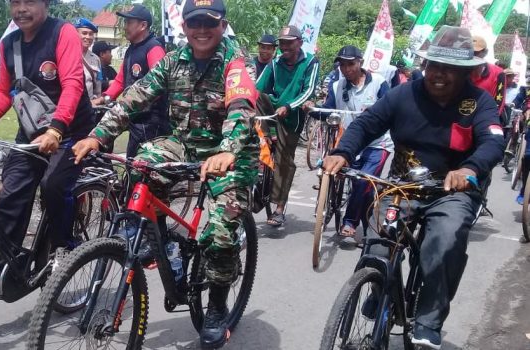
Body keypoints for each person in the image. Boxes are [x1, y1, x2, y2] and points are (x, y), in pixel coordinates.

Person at [72, 0, 258, 346]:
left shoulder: (236, 63)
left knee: (219, 232)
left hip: (231, 155)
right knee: (140, 164)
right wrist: (98, 136)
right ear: (184, 27)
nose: (201, 30)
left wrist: (227, 150)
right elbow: (133, 98)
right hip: (185, 145)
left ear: (222, 25)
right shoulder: (174, 60)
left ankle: (217, 307)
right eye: (194, 23)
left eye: (209, 22)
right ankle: (159, 240)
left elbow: (240, 107)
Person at [322, 26, 504, 349]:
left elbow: (493, 143)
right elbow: (367, 123)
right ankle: (379, 287)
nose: (439, 75)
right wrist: (342, 152)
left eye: (449, 69)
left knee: (445, 240)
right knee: (377, 235)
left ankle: (428, 321)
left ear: (464, 73)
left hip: (451, 193)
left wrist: (470, 168)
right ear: (424, 66)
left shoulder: (480, 103)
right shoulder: (405, 93)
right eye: (433, 65)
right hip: (403, 185)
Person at [0, 0, 95, 295]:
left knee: (53, 185)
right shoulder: (10, 43)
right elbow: (4, 91)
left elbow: (73, 84)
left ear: (45, 4)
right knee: (10, 191)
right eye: (15, 2)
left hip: (71, 127)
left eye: (29, 2)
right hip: (33, 128)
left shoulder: (63, 33)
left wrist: (57, 129)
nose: (21, 8)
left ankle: (64, 247)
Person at [314, 45, 392, 238]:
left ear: (360, 63)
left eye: (351, 64)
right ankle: (369, 225)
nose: (347, 69)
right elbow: (329, 110)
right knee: (362, 185)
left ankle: (350, 222)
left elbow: (391, 110)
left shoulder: (379, 83)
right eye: (342, 65)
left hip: (378, 143)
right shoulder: (336, 86)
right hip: (352, 143)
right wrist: (312, 109)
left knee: (363, 180)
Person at [255, 25, 320, 227]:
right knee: (255, 99)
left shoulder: (310, 62)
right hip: (274, 110)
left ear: (299, 42)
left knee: (284, 160)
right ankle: (264, 136)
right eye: (282, 43)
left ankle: (280, 208)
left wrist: (289, 106)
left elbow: (309, 91)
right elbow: (258, 87)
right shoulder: (274, 63)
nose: (285, 47)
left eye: (289, 43)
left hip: (293, 115)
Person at [91, 4, 169, 157]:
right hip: (135, 120)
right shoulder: (131, 49)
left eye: (128, 22)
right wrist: (102, 99)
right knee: (131, 165)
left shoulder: (154, 48)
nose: (125, 26)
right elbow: (120, 81)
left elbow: (160, 87)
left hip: (151, 124)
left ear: (143, 25)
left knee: (145, 171)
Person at [471, 35, 506, 123]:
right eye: (470, 52)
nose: (473, 55)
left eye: (476, 52)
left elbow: (499, 101)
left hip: (485, 119)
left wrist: (491, 121)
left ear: (485, 52)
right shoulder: (459, 70)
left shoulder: (498, 73)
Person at [74, 18, 101, 99]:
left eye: (91, 34)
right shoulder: (67, 54)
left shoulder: (96, 59)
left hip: (89, 105)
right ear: (76, 33)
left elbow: (98, 84)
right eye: (84, 33)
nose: (88, 37)